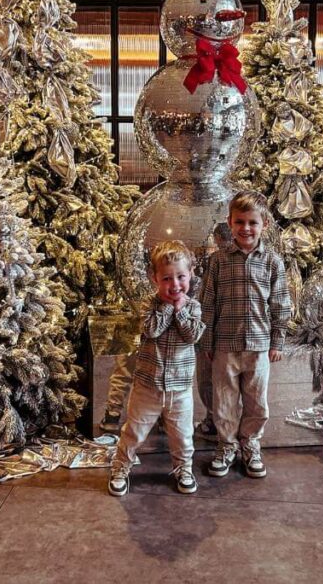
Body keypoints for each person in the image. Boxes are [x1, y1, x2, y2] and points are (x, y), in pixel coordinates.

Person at [199, 190, 292, 479]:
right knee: (224, 400)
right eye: (240, 222)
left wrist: (277, 340)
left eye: (252, 222)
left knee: (256, 401)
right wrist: (207, 341)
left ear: (264, 224)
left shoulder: (272, 262)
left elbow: (280, 303)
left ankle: (250, 444)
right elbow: (207, 303)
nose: (246, 228)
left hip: (259, 345)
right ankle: (226, 446)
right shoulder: (218, 261)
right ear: (230, 223)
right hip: (225, 345)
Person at [108, 241, 205, 497]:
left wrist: (181, 312)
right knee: (133, 432)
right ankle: (121, 467)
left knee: (183, 435)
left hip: (180, 388)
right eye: (166, 279)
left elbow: (192, 336)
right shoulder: (148, 305)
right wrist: (168, 307)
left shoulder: (193, 307)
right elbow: (151, 329)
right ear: (155, 279)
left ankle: (183, 469)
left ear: (190, 275)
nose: (174, 285)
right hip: (147, 387)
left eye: (180, 277)